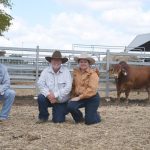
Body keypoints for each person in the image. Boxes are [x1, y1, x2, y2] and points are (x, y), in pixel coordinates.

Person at [37, 50, 72, 123]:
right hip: (49, 98)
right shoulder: (45, 71)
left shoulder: (66, 71)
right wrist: (48, 94)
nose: (56, 62)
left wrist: (55, 95)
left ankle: (64, 110)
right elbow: (40, 84)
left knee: (58, 120)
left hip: (61, 100)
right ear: (50, 61)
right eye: (54, 60)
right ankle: (43, 117)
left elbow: (68, 87)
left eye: (58, 60)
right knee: (41, 98)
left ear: (61, 62)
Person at [67, 53, 101, 125]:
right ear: (79, 63)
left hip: (92, 98)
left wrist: (79, 97)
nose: (83, 63)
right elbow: (73, 86)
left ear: (89, 63)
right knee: (70, 106)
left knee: (89, 121)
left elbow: (92, 89)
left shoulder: (93, 74)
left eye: (85, 62)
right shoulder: (76, 73)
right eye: (81, 62)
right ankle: (79, 118)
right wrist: (72, 97)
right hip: (80, 97)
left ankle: (96, 115)